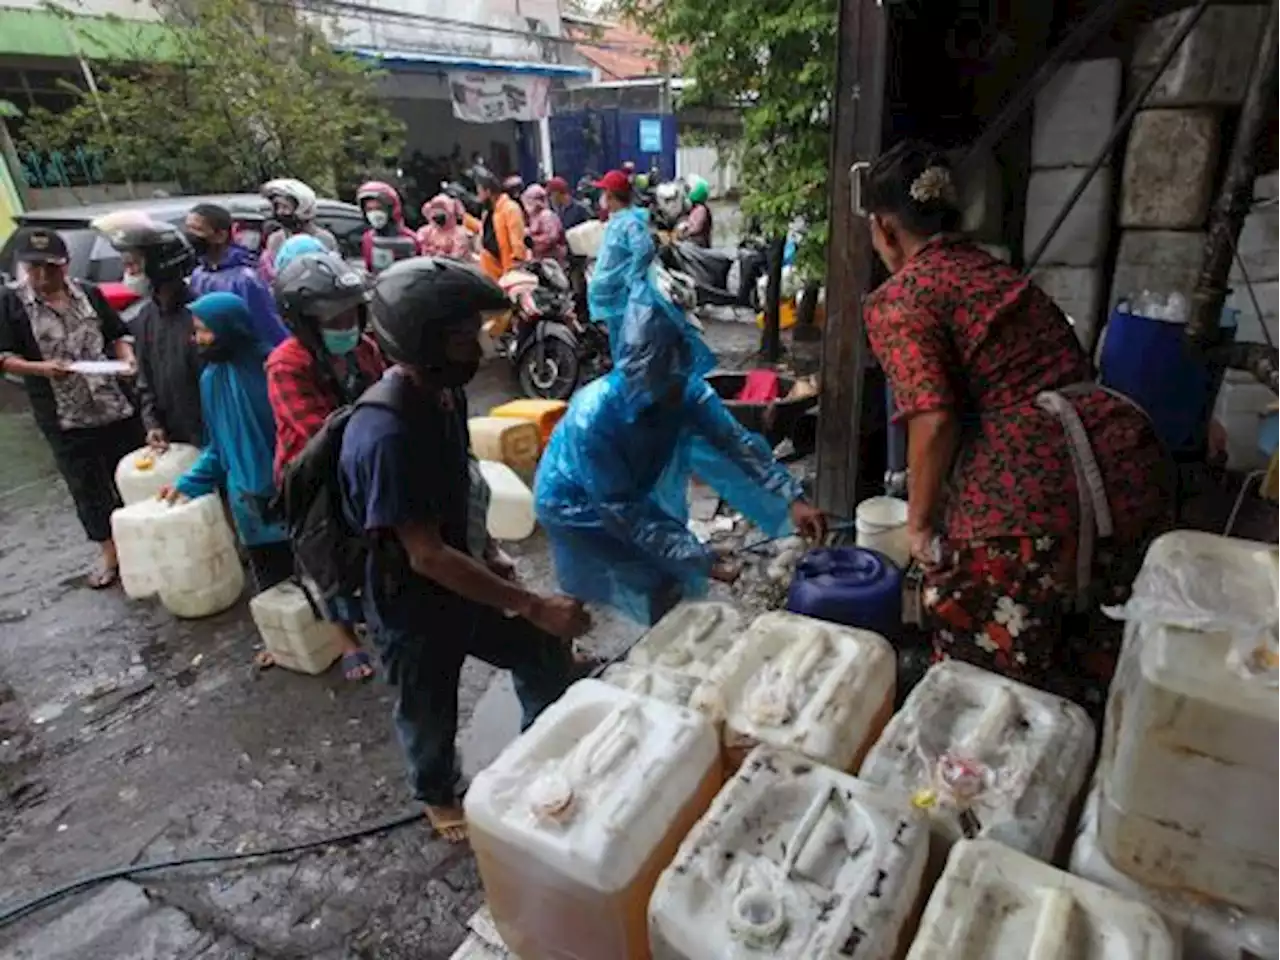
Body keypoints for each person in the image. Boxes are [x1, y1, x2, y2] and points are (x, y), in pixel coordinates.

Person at [859, 141, 1172, 712]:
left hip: (1025, 507)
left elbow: (933, 417)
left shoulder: (900, 297)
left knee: (982, 695)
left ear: (883, 229)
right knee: (1085, 674)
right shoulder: (995, 273)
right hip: (1123, 475)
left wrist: (922, 529)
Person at [340, 257, 590, 840]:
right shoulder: (384, 432)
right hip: (411, 599)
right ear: (425, 342)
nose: (478, 345)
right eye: (463, 336)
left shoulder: (443, 397)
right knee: (429, 708)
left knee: (541, 651)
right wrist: (529, 602)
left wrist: (492, 553)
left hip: (463, 571)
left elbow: (461, 484)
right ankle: (436, 795)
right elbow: (425, 554)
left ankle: (541, 744)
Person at [536, 272, 825, 625]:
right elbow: (622, 512)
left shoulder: (687, 393)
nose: (675, 386)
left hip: (624, 497)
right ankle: (597, 651)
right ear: (640, 369)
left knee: (662, 570)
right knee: (627, 579)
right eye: (664, 376)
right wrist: (695, 557)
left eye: (679, 370)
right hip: (573, 505)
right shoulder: (594, 419)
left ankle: (663, 641)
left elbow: (737, 446)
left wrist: (791, 498)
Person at [267, 241, 384, 681]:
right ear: (305, 324)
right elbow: (316, 430)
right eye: (333, 320)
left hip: (364, 457)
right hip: (314, 473)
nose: (346, 326)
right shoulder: (286, 365)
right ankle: (345, 638)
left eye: (350, 315)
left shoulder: (365, 348)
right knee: (328, 560)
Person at [0, 227, 143, 588]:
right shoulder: (11, 303)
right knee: (86, 485)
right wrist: (40, 369)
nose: (43, 277)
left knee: (129, 474)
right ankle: (110, 553)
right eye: (35, 269)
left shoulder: (89, 294)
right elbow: (4, 358)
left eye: (51, 268)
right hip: (65, 414)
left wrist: (127, 359)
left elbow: (117, 334)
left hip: (114, 404)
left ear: (65, 265)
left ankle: (142, 541)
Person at [159, 292, 293, 594]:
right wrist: (187, 483)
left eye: (205, 330)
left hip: (290, 495)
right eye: (196, 331)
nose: (197, 339)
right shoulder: (212, 379)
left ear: (230, 328)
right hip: (249, 505)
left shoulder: (274, 369)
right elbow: (218, 448)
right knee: (276, 590)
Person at [100, 217, 204, 448]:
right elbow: (145, 379)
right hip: (173, 437)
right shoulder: (146, 317)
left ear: (160, 264)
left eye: (134, 265)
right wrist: (152, 422)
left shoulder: (201, 315)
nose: (129, 274)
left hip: (209, 436)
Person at [185, 203, 289, 348]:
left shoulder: (245, 280)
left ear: (221, 235)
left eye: (197, 230)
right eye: (188, 228)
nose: (189, 236)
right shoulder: (199, 274)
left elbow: (269, 329)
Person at [587, 170, 653, 342]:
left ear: (610, 195)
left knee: (626, 343)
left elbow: (644, 251)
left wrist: (631, 279)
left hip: (621, 297)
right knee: (618, 341)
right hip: (613, 297)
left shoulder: (630, 222)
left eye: (604, 192)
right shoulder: (617, 220)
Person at [258, 178, 338, 284]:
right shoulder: (276, 239)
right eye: (277, 207)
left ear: (303, 207)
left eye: (285, 207)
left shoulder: (324, 238)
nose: (280, 212)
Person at [475, 168, 528, 281]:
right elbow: (482, 231)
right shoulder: (489, 212)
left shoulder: (510, 208)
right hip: (490, 271)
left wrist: (515, 265)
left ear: (488, 192)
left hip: (507, 271)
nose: (478, 197)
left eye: (480, 192)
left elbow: (516, 240)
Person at [356, 181, 420, 275]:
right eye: (369, 209)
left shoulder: (412, 239)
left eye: (379, 208)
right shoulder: (367, 238)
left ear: (391, 209)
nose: (374, 214)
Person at [416, 194, 474, 261]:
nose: (437, 213)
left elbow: (457, 258)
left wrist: (441, 255)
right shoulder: (426, 231)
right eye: (435, 208)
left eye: (442, 209)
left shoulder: (460, 234)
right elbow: (420, 248)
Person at [521, 184, 567, 264]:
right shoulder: (534, 216)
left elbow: (551, 237)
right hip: (540, 259)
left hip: (552, 260)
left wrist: (533, 240)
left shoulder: (546, 215)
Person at [676, 175, 713, 248]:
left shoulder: (701, 209)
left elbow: (695, 228)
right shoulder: (697, 208)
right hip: (697, 241)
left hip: (698, 244)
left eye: (688, 190)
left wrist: (684, 232)